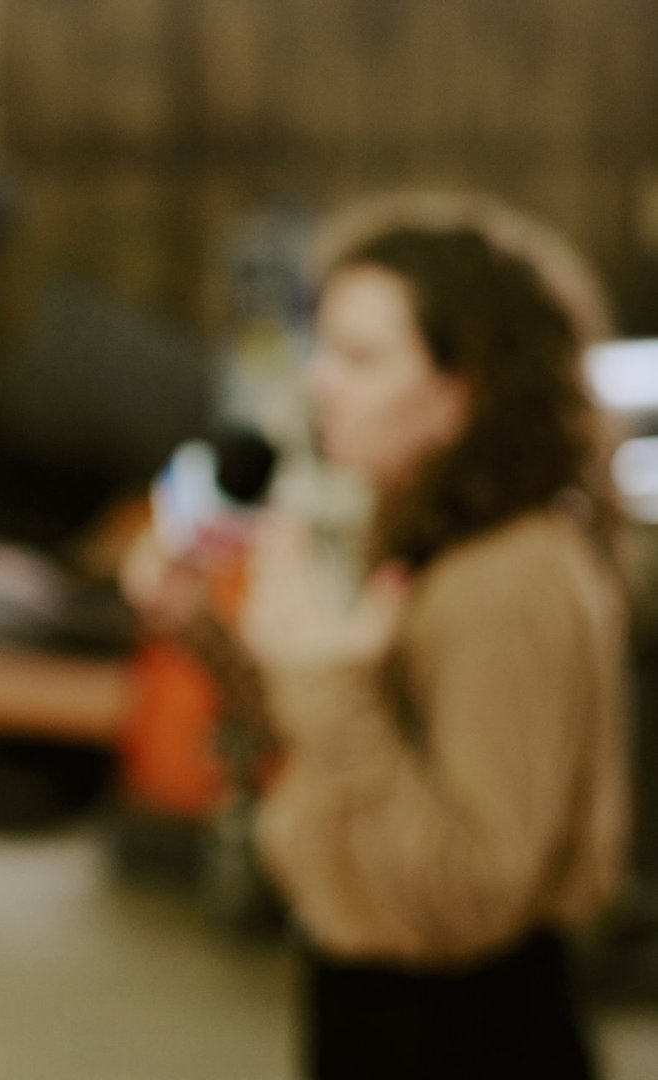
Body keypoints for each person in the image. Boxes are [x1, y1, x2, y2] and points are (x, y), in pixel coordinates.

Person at [241, 196, 628, 1079]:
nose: (318, 382)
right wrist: (214, 630)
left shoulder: (510, 579)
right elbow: (349, 783)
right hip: (382, 1001)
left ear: (465, 391)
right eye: (322, 347)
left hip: (460, 1029)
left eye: (360, 358)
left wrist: (327, 688)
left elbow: (471, 892)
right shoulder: (424, 537)